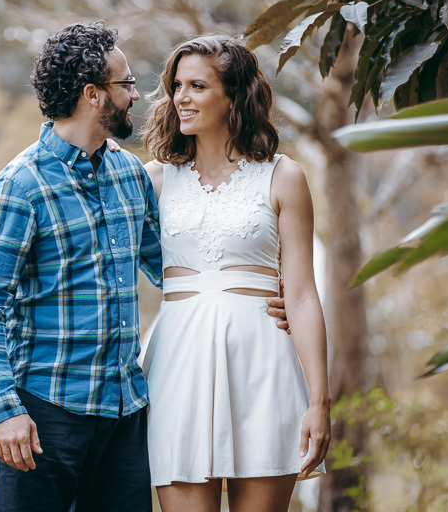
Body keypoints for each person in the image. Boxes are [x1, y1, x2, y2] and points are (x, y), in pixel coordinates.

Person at [0, 22, 290, 512]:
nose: (138, 96)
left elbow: (171, 264)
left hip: (124, 416)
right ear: (94, 95)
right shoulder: (20, 186)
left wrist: (256, 292)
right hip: (47, 414)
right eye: (127, 84)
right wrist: (5, 409)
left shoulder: (127, 174)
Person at [140, 35, 330, 512]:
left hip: (264, 364)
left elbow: (304, 296)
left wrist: (319, 401)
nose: (181, 97)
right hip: (176, 365)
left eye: (198, 85)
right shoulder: (154, 179)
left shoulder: (283, 176)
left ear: (235, 95)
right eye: (177, 85)